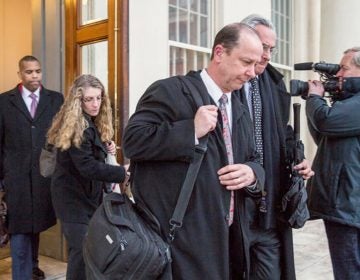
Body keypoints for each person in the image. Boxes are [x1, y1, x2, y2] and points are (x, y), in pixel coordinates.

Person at [123, 23, 265, 279]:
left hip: (230, 239)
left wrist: (252, 173)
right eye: (246, 62)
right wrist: (190, 130)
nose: (252, 73)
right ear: (219, 53)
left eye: (255, 65)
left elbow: (254, 159)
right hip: (182, 242)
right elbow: (133, 141)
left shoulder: (239, 107)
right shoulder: (170, 90)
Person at [236, 14, 314, 279]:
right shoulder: (221, 83)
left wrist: (298, 157)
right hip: (233, 206)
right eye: (262, 46)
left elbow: (284, 132)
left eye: (271, 48)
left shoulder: (273, 83)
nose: (267, 55)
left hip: (268, 208)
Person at [47, 74, 128, 280]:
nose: (95, 104)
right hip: (72, 201)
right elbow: (87, 167)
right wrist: (122, 172)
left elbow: (89, 155)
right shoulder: (77, 126)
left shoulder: (88, 123)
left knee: (88, 252)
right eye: (89, 99)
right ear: (78, 101)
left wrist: (105, 147)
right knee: (81, 253)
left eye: (99, 98)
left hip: (87, 199)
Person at [0, 55, 64, 280]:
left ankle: (33, 268)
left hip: (44, 176)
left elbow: (62, 137)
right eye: (29, 72)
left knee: (36, 225)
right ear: (20, 74)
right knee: (19, 228)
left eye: (37, 71)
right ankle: (22, 275)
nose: (34, 75)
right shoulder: (3, 102)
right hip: (15, 177)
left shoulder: (56, 100)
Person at [305, 47, 360, 280]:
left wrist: (315, 98)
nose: (338, 74)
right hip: (347, 203)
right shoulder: (349, 103)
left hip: (348, 205)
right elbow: (324, 137)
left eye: (344, 69)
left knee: (349, 271)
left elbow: (325, 122)